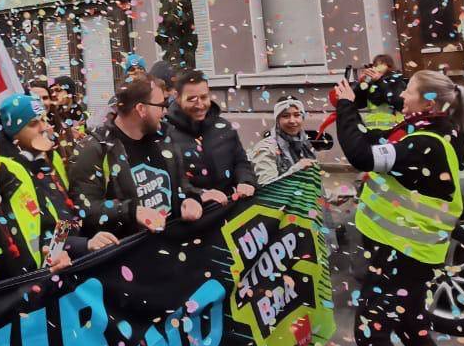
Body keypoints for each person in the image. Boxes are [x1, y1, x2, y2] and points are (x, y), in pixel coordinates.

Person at [333, 70, 464, 346]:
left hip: (404, 254)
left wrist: (346, 106)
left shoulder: (425, 142)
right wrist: (360, 94)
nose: (401, 96)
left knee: (370, 334)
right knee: (412, 328)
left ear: (429, 104)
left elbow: (363, 155)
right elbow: (376, 139)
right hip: (412, 253)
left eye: (409, 91)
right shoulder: (435, 128)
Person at [0, 97, 111, 285]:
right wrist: (11, 295)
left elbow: (49, 225)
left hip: (39, 293)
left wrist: (64, 251)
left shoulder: (16, 171)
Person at [69, 74, 214, 237]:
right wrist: (131, 211)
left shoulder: (164, 137)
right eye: (161, 105)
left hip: (170, 243)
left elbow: (181, 185)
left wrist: (192, 199)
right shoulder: (95, 149)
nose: (165, 111)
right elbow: (84, 210)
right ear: (141, 109)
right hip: (130, 249)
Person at [164, 70, 257, 199]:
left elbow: (241, 162)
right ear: (177, 97)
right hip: (194, 208)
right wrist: (200, 195)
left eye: (204, 97)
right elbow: (170, 182)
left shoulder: (224, 127)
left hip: (232, 203)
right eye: (191, 99)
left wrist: (245, 181)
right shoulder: (165, 135)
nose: (200, 105)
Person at [0, 93, 73, 216]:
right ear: (14, 133)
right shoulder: (10, 176)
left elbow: (63, 207)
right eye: (33, 124)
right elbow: (42, 223)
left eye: (43, 119)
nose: (43, 128)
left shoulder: (49, 156)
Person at [249, 97, 333, 181]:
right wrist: (296, 170)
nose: (292, 121)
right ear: (277, 120)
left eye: (296, 115)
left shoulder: (305, 145)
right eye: (285, 116)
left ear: (302, 118)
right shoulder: (266, 148)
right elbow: (267, 186)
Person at [353, 54, 406, 130]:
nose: (376, 68)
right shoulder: (372, 83)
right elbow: (357, 103)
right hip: (372, 128)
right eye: (375, 65)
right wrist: (361, 84)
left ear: (389, 67)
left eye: (380, 64)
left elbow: (398, 102)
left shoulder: (396, 82)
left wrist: (379, 81)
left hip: (393, 128)